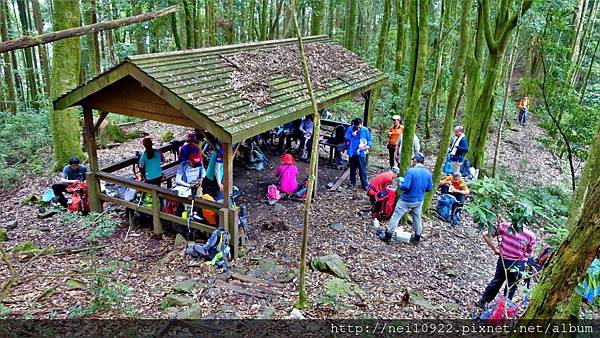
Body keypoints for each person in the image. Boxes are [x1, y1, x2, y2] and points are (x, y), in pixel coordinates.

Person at [478, 222, 537, 308]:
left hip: (503, 261)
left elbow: (485, 234)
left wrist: (495, 249)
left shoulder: (505, 226)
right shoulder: (531, 236)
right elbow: (528, 253)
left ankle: (483, 301)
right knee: (511, 287)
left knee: (497, 281)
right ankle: (502, 308)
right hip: (518, 264)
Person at [380, 153, 433, 244]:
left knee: (396, 216)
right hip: (419, 200)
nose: (412, 162)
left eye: (413, 160)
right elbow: (429, 188)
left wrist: (401, 182)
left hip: (406, 200)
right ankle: (416, 238)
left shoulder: (411, 171)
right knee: (417, 218)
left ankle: (388, 236)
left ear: (415, 161)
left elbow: (405, 187)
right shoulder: (428, 173)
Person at [345, 118, 372, 189]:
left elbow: (369, 140)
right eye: (357, 126)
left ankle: (365, 184)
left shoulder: (365, 130)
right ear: (354, 124)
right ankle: (352, 182)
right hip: (352, 152)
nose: (359, 128)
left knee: (362, 169)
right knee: (352, 168)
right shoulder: (350, 129)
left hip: (361, 152)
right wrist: (352, 135)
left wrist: (367, 146)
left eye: (360, 126)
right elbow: (346, 138)